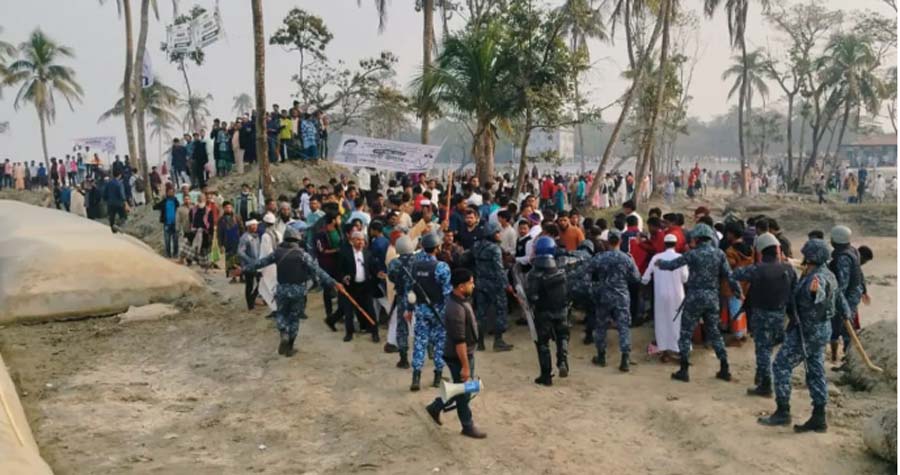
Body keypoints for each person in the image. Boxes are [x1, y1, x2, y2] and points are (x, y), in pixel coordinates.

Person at [758, 239, 850, 433]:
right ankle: (819, 417)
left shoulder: (818, 278)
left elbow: (819, 294)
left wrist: (816, 293)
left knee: (781, 365)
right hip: (821, 330)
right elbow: (840, 298)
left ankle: (783, 411)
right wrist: (845, 313)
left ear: (812, 256)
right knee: (816, 370)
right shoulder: (827, 273)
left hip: (807, 332)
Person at [239, 227, 345, 357]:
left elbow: (260, 263)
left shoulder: (277, 253)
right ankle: (290, 347)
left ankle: (284, 333)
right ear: (298, 240)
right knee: (294, 319)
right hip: (298, 291)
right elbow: (318, 271)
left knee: (281, 314)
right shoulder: (303, 255)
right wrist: (334, 283)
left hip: (282, 289)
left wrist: (243, 269)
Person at [656, 223, 742, 382]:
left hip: (694, 297)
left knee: (686, 332)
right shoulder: (719, 254)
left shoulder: (693, 254)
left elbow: (672, 265)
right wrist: (738, 291)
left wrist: (660, 263)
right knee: (715, 333)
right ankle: (724, 368)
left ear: (697, 238)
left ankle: (684, 370)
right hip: (712, 298)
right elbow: (729, 275)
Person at [424, 268, 486, 439]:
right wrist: (465, 366)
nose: (473, 285)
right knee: (463, 391)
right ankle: (467, 425)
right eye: (470, 283)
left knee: (461, 389)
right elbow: (460, 342)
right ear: (461, 286)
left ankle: (436, 407)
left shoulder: (460, 301)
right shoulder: (456, 309)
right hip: (458, 356)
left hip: (463, 353)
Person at [576, 231, 642, 371]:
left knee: (601, 326)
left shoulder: (600, 257)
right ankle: (625, 359)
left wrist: (591, 287)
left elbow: (584, 271)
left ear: (607, 241)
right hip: (621, 296)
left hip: (603, 295)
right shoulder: (626, 258)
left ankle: (601, 356)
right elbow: (636, 278)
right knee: (623, 327)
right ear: (620, 241)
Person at [407, 233, 452, 391]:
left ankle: (416, 377)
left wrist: (409, 309)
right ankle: (437, 377)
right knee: (440, 343)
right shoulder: (441, 267)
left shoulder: (414, 266)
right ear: (437, 247)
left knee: (419, 342)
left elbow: (410, 291)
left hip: (421, 310)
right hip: (438, 311)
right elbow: (447, 292)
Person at [527, 237, 570, 386]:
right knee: (562, 336)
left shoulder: (533, 274)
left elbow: (531, 296)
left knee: (543, 344)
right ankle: (563, 361)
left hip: (543, 313)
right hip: (562, 310)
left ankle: (546, 376)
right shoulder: (561, 270)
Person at [642, 234, 688, 361]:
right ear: (675, 244)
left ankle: (665, 351)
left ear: (664, 244)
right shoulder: (681, 258)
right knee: (677, 322)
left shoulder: (656, 257)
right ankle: (678, 349)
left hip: (660, 296)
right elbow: (685, 278)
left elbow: (645, 278)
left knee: (662, 322)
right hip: (677, 296)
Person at [473, 222, 514, 351]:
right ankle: (498, 341)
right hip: (495, 284)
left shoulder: (476, 245)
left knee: (481, 313)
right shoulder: (494, 248)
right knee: (500, 311)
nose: (499, 234)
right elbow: (499, 269)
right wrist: (506, 285)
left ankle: (480, 342)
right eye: (497, 232)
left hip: (480, 283)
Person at [827, 225, 864, 362]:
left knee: (842, 326)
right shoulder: (852, 250)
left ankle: (844, 357)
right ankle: (841, 356)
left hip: (846, 296)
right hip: (854, 292)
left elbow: (843, 283)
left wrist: (837, 300)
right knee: (843, 326)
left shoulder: (843, 257)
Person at [337, 230, 381, 343]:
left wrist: (378, 273)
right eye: (358, 240)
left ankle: (375, 333)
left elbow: (372, 268)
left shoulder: (367, 253)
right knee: (349, 312)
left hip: (365, 287)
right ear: (352, 241)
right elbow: (339, 270)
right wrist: (344, 277)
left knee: (370, 310)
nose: (361, 242)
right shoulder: (344, 253)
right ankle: (349, 333)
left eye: (362, 240)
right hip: (350, 287)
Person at [387, 236, 417, 368]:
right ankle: (429, 349)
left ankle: (403, 359)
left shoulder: (394, 263)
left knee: (402, 327)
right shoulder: (418, 260)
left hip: (402, 298)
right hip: (418, 298)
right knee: (422, 325)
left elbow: (392, 278)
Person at [258, 212, 280, 313]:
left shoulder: (265, 236)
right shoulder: (278, 234)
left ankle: (276, 309)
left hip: (269, 265)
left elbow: (265, 252)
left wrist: (260, 268)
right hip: (278, 263)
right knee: (270, 286)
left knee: (268, 287)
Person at [238, 219, 261, 310]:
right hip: (248, 265)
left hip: (257, 264)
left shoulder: (256, 236)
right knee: (249, 285)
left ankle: (252, 299)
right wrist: (249, 260)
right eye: (253, 225)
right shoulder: (245, 238)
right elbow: (240, 252)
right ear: (248, 226)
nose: (255, 227)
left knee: (261, 283)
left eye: (256, 225)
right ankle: (250, 305)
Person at [153, 183, 181, 258]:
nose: (170, 193)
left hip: (175, 224)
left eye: (172, 192)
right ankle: (168, 254)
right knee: (167, 240)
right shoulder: (164, 201)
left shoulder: (176, 201)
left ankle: (175, 254)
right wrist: (155, 200)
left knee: (175, 240)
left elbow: (179, 210)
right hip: (167, 224)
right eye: (169, 192)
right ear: (167, 193)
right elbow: (155, 207)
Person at [218, 201, 243, 281]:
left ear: (232, 208)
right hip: (227, 242)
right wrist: (221, 245)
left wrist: (243, 240)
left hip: (237, 241)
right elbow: (220, 233)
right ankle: (233, 277)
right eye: (226, 207)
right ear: (223, 209)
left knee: (239, 260)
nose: (228, 209)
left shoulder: (237, 217)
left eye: (229, 207)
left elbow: (242, 229)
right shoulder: (221, 220)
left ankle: (241, 276)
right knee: (230, 260)